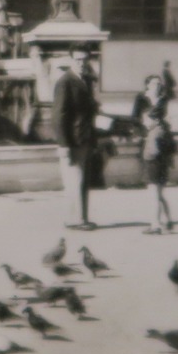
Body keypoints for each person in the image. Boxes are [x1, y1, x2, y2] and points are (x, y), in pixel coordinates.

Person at [51, 50, 99, 231]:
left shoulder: (84, 80)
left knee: (82, 181)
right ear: (71, 60)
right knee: (74, 181)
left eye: (84, 59)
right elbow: (58, 116)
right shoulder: (65, 82)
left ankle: (81, 218)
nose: (81, 62)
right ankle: (75, 220)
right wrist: (63, 144)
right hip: (73, 140)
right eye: (78, 59)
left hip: (85, 138)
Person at [132, 73, 175, 234]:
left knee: (156, 188)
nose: (157, 86)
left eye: (159, 83)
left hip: (161, 146)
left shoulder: (164, 100)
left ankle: (156, 224)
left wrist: (159, 123)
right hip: (148, 145)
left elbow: (166, 121)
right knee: (155, 187)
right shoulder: (141, 99)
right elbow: (135, 120)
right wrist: (140, 131)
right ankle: (166, 220)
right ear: (147, 85)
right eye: (153, 83)